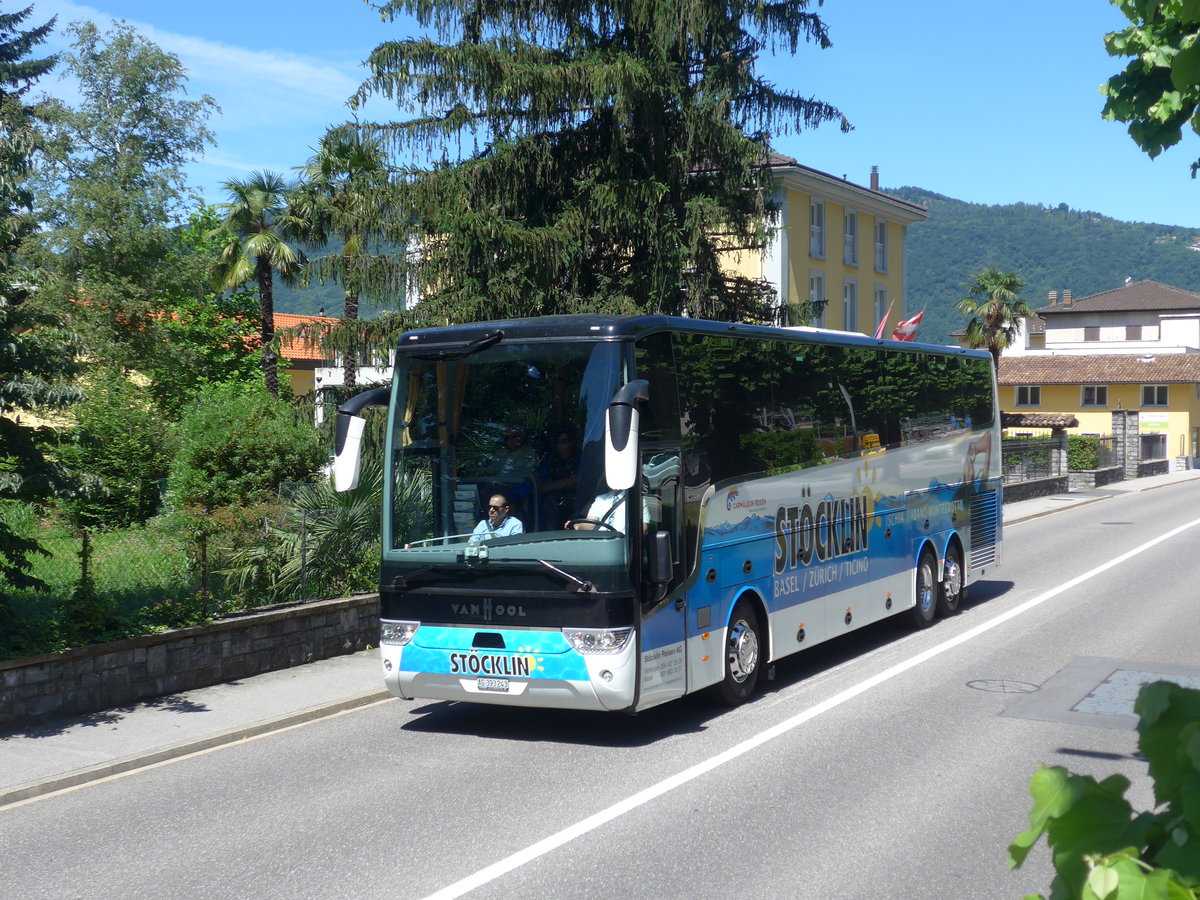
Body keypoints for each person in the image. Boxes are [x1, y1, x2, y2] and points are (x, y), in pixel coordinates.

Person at [537, 429, 579, 527]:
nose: (560, 445)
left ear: (572, 442)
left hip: (574, 498)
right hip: (548, 498)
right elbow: (536, 475)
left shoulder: (579, 458)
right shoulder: (551, 459)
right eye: (558, 442)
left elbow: (575, 479)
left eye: (564, 442)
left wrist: (547, 487)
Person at [566, 488, 649, 534]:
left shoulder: (638, 500)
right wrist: (576, 526)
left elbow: (643, 529)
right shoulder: (601, 499)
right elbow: (590, 524)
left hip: (622, 546)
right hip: (599, 544)